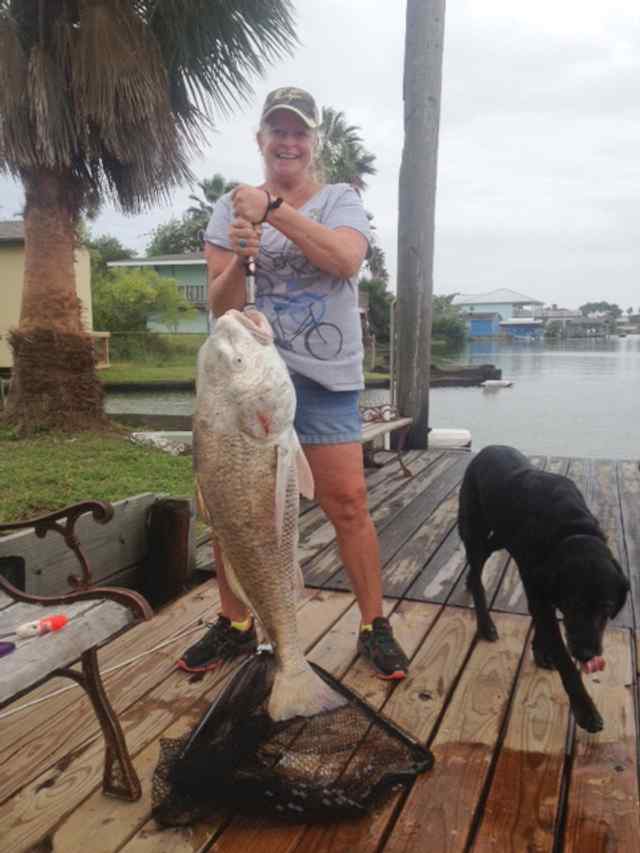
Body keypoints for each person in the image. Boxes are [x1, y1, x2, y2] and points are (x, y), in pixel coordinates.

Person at [178, 87, 409, 680]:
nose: (288, 141)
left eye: (299, 132)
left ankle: (372, 623)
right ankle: (235, 623)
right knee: (232, 508)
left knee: (349, 502)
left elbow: (344, 260)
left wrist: (272, 211)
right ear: (260, 140)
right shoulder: (229, 210)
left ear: (313, 143)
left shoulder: (339, 199)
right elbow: (221, 306)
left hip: (322, 378)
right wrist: (241, 259)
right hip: (245, 382)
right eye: (276, 131)